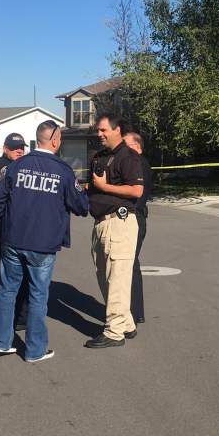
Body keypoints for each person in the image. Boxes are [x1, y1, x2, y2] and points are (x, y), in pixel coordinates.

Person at [0, 120, 88, 361]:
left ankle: (1, 342)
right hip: (43, 245)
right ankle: (34, 350)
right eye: (61, 138)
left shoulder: (16, 165)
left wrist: (9, 221)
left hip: (12, 240)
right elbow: (81, 206)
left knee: (7, 291)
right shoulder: (63, 171)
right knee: (38, 295)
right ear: (54, 140)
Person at [85, 114, 144, 349]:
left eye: (103, 130)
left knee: (117, 278)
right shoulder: (98, 157)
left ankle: (114, 332)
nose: (99, 134)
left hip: (120, 223)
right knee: (104, 277)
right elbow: (93, 186)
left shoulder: (127, 157)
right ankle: (126, 323)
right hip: (100, 223)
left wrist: (103, 186)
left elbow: (137, 190)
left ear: (117, 129)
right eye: (98, 131)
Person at [0, 133, 28, 329]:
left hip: (13, 228)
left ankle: (18, 317)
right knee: (0, 276)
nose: (19, 150)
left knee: (16, 276)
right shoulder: (1, 169)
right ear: (5, 148)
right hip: (2, 227)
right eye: (15, 147)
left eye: (22, 147)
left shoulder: (18, 166)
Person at [124, 131, 152, 325]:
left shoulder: (139, 164)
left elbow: (135, 196)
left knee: (128, 265)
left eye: (125, 145)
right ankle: (134, 312)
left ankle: (132, 313)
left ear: (136, 146)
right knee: (130, 264)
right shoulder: (134, 163)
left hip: (134, 217)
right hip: (134, 216)